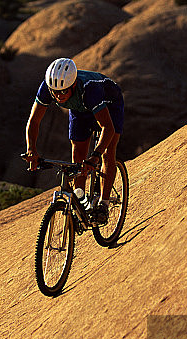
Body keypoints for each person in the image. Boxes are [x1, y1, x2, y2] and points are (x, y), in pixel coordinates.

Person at [25, 57, 124, 224]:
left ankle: (104, 205)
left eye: (63, 91)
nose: (58, 96)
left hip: (109, 103)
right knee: (78, 154)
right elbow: (34, 121)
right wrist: (31, 149)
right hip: (80, 109)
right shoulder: (47, 88)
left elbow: (108, 127)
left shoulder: (89, 89)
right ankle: (81, 201)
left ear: (73, 85)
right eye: (54, 92)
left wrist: (95, 155)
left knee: (107, 152)